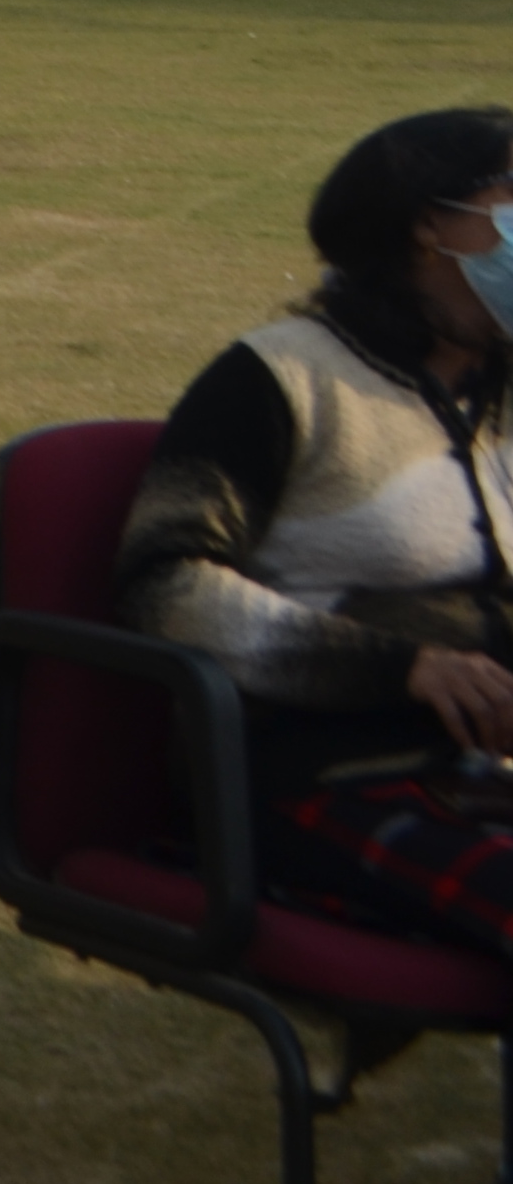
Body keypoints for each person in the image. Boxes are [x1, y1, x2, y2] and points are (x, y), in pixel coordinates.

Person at [120, 107, 513, 952]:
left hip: (479, 769)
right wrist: (405, 666)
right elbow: (163, 586)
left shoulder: (499, 386)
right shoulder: (279, 378)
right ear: (428, 226)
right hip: (317, 769)